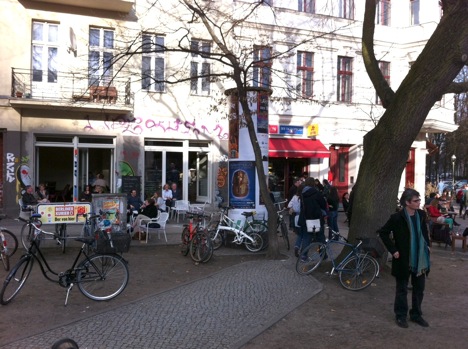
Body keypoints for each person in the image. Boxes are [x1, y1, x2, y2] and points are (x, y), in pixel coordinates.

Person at [378, 188, 430, 329]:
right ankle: (400, 316)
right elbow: (383, 233)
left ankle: (416, 314)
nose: (419, 202)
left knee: (419, 288)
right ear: (407, 202)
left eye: (419, 199)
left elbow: (424, 232)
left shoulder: (421, 214)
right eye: (416, 200)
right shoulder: (397, 217)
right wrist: (393, 250)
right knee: (402, 289)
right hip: (403, 258)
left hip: (420, 259)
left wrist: (427, 246)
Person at [297, 177, 328, 258]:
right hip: (317, 218)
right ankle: (323, 254)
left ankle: (303, 255)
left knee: (307, 237)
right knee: (320, 237)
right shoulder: (317, 193)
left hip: (306, 218)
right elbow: (323, 204)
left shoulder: (302, 194)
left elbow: (302, 206)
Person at [288, 183, 303, 257]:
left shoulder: (294, 197)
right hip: (303, 218)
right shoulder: (303, 197)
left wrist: (292, 209)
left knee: (300, 234)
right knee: (305, 235)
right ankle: (303, 250)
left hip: (296, 218)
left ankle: (297, 246)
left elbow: (289, 205)